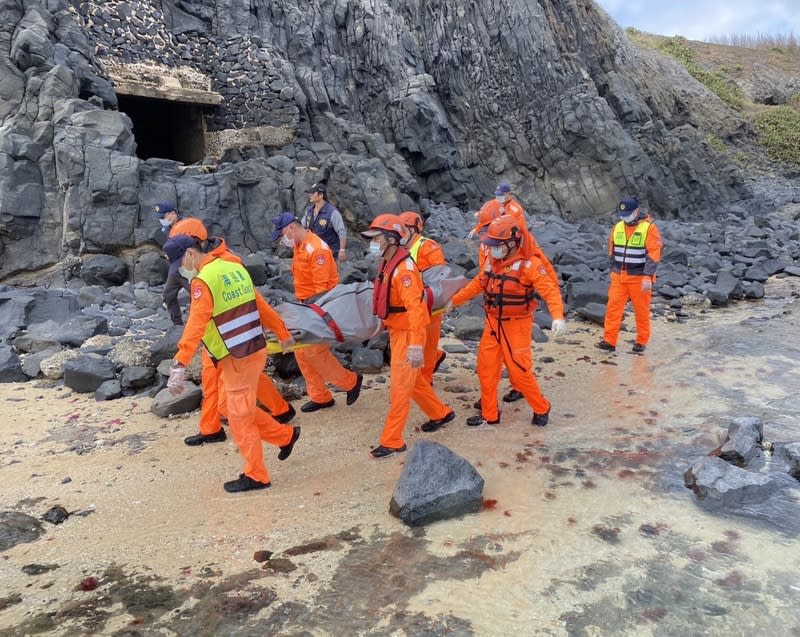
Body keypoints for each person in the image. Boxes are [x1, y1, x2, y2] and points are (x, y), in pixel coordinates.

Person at [164, 234, 301, 493]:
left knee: (239, 416)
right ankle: (285, 436)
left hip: (235, 354)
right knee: (229, 407)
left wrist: (180, 363)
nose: (181, 270)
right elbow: (259, 305)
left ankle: (256, 475)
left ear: (190, 255)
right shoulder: (234, 267)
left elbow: (196, 323)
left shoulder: (203, 281)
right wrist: (281, 332)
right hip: (250, 349)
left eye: (180, 263)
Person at [450, 216, 566, 428]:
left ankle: (541, 407)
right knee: (486, 369)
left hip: (517, 326)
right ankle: (490, 414)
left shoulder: (530, 265)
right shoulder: (492, 263)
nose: (492, 248)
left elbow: (550, 291)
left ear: (512, 243)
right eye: (491, 243)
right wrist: (453, 302)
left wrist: (557, 316)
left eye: (496, 244)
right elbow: (477, 285)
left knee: (519, 372)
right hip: (493, 323)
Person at [361, 214, 455, 457]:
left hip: (408, 333)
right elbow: (389, 299)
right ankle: (441, 413)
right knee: (412, 383)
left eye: (376, 238)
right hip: (398, 329)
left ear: (391, 239)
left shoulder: (404, 270)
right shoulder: (387, 261)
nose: (372, 242)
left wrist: (415, 346)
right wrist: (384, 322)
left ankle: (392, 441)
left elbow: (416, 310)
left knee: (400, 388)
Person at [467, 183, 560, 405]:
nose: (485, 234)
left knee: (519, 362)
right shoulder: (490, 242)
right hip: (494, 309)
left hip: (516, 315)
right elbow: (481, 279)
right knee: (488, 362)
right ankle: (489, 400)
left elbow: (544, 273)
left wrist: (557, 313)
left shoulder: (523, 248)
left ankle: (523, 390)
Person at [271, 212, 363, 413]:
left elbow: (322, 291)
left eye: (282, 234)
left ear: (292, 228)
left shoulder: (316, 249)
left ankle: (351, 382)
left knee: (314, 352)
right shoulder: (300, 245)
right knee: (302, 353)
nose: (282, 240)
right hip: (306, 306)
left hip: (320, 307)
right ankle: (320, 396)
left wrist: (312, 316)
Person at [597, 196, 662, 354]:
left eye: (627, 214)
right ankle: (609, 341)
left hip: (640, 278)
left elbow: (653, 254)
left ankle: (641, 341)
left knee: (641, 311)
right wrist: (613, 270)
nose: (624, 218)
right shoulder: (618, 227)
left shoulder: (649, 228)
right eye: (621, 215)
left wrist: (648, 276)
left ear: (636, 211)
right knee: (613, 309)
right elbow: (612, 251)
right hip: (619, 276)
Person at [398, 211, 448, 385]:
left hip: (430, 304)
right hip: (412, 303)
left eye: (404, 229)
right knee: (414, 341)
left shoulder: (428, 247)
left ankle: (426, 379)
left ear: (415, 229)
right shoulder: (400, 249)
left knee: (427, 343)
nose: (401, 233)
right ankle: (436, 356)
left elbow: (439, 279)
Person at [154, 201, 209, 325]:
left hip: (189, 267)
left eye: (163, 217)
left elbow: (199, 245)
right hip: (175, 266)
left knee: (197, 294)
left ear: (173, 213)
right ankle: (177, 324)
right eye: (160, 217)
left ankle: (202, 323)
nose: (161, 220)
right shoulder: (166, 229)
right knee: (168, 294)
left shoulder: (189, 226)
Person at [300, 183, 348, 262]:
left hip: (330, 253)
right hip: (313, 251)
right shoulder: (309, 211)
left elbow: (341, 231)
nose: (310, 195)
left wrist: (342, 250)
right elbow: (302, 227)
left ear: (321, 195)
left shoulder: (332, 212)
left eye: (312, 193)